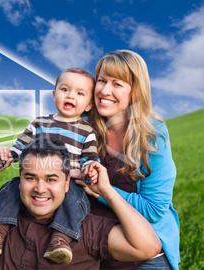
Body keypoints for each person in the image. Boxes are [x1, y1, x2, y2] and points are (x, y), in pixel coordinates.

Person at [0, 138, 162, 269]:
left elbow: (147, 247)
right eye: (30, 178)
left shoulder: (85, 229)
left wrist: (106, 192)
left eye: (51, 179)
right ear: (19, 180)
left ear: (68, 183)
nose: (40, 188)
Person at [0, 68, 100, 264]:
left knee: (75, 199)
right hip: (35, 178)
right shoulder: (40, 124)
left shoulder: (86, 131)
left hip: (68, 182)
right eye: (65, 89)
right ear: (55, 94)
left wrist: (89, 168)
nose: (70, 96)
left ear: (89, 104)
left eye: (80, 93)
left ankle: (60, 239)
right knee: (10, 189)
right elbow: (20, 147)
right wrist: (7, 156)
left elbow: (90, 158)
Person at [77, 49, 180, 269]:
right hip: (91, 244)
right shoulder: (81, 123)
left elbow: (153, 209)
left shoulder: (152, 136)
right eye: (102, 80)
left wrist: (102, 190)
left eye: (117, 84)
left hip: (144, 251)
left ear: (135, 91)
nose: (105, 90)